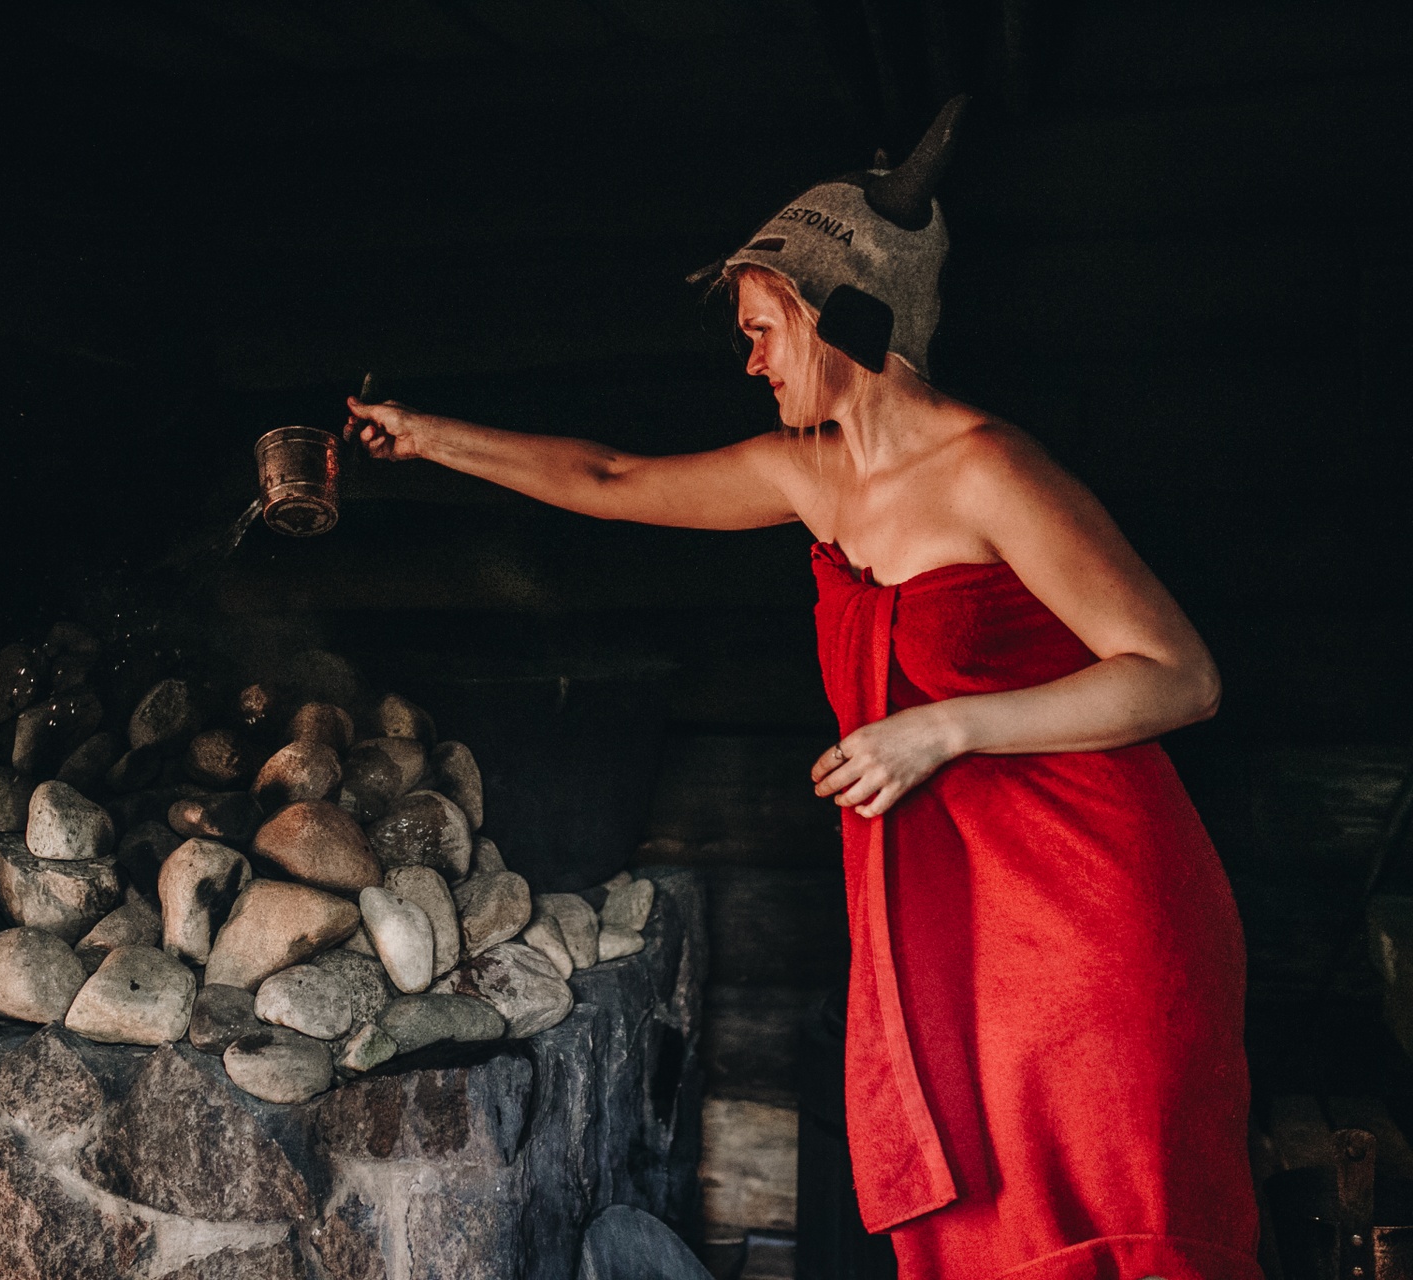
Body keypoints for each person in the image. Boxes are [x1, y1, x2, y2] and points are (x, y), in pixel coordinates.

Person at [345, 98, 1261, 1280]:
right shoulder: (810, 477)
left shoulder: (993, 471)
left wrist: (947, 726)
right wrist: (424, 437)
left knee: (1102, 1219)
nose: (750, 356)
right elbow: (609, 475)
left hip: (1092, 914)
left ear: (843, 313)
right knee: (983, 1230)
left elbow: (1181, 675)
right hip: (961, 928)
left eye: (763, 326)